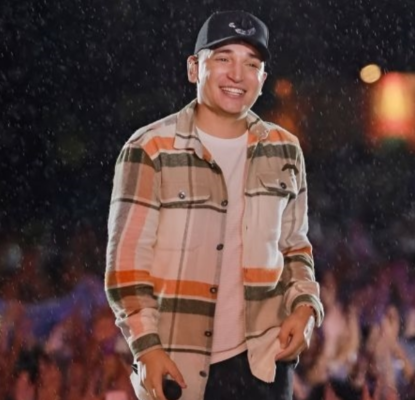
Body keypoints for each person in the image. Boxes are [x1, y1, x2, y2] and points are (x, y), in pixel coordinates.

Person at [105, 10, 324, 400]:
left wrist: (306, 307)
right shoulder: (150, 149)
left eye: (251, 64)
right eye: (223, 58)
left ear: (263, 79)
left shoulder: (285, 149)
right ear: (194, 68)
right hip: (178, 366)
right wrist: (147, 346)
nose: (237, 74)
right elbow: (126, 267)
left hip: (265, 363)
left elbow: (295, 247)